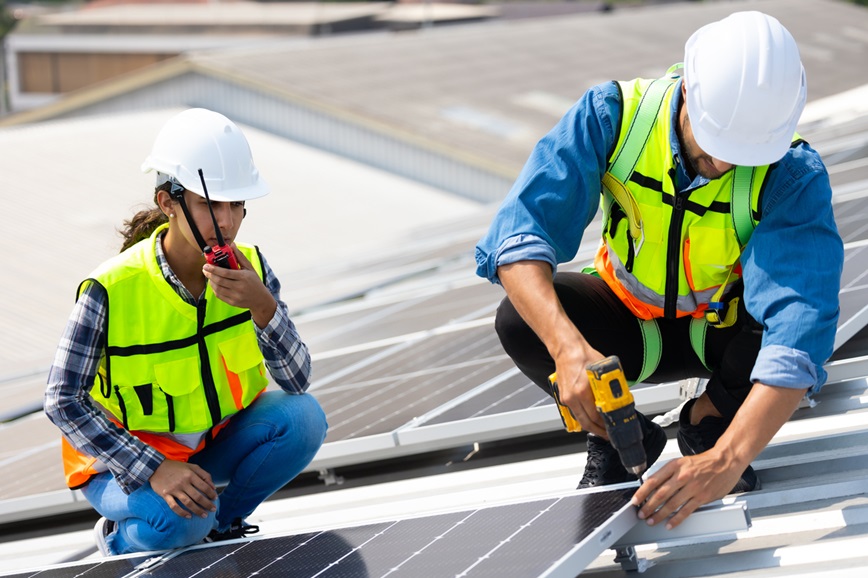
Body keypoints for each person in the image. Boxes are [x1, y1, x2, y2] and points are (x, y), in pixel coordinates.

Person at [475, 11, 842, 530]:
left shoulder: (791, 173)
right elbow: (518, 235)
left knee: (785, 336)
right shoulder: (612, 116)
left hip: (723, 335)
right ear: (688, 89)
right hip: (627, 329)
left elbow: (798, 330)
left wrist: (728, 459)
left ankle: (707, 423)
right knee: (520, 318)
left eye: (747, 152)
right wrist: (567, 348)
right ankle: (622, 433)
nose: (728, 164)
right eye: (719, 142)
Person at [44, 108, 328, 556]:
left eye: (237, 205)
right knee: (179, 522)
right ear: (168, 203)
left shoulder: (250, 265)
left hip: (206, 447)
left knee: (304, 418)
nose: (228, 223)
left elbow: (297, 380)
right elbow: (62, 399)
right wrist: (153, 468)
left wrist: (263, 306)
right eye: (211, 205)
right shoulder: (111, 289)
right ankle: (119, 541)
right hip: (121, 462)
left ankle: (221, 522)